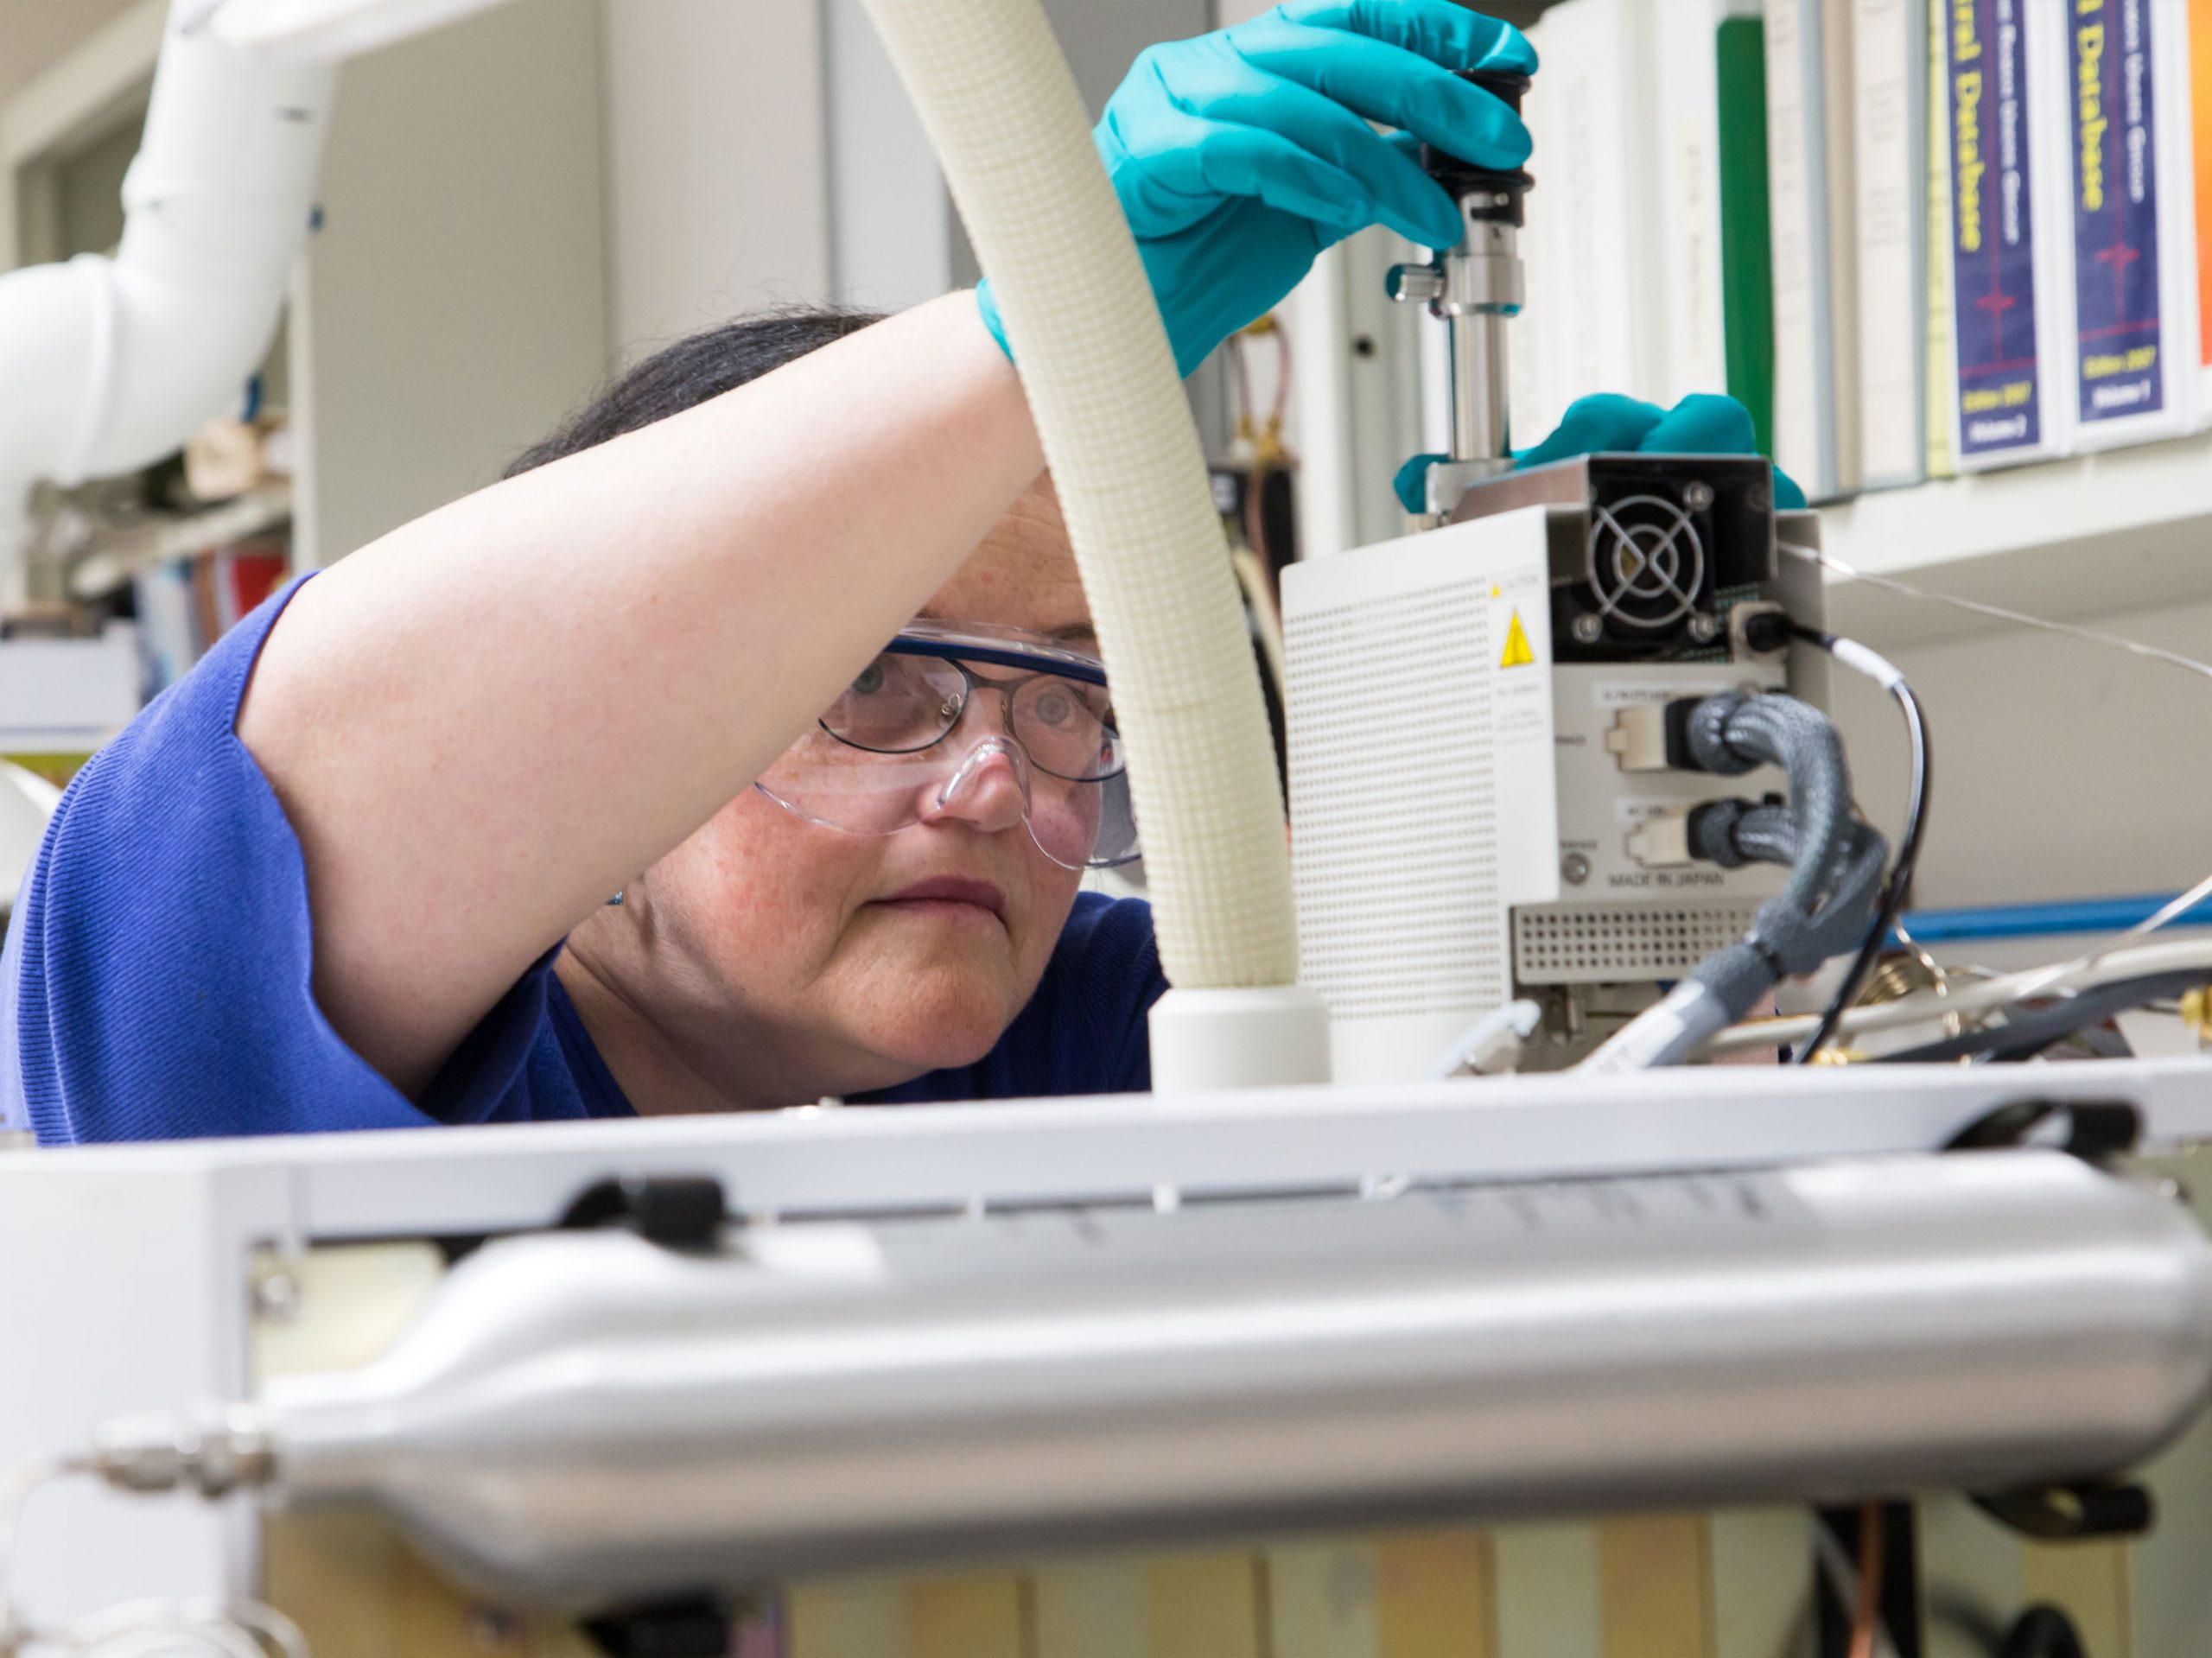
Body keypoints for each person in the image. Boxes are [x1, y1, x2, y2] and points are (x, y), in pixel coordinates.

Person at [2, 1, 1784, 1144]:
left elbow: (1584, 1122)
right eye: (870, 676)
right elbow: (252, 826)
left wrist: (1567, 710)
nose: (999, 778)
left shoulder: (1123, 1032)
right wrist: (1032, 332)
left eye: (1076, 679)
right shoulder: (283, 1049)